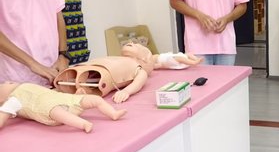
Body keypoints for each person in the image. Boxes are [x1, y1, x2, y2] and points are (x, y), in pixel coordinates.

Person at [53, 42, 202, 103]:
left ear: (144, 57)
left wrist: (126, 91)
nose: (131, 42)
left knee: (87, 85)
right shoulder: (120, 59)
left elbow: (140, 81)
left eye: (136, 44)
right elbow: (157, 61)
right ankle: (65, 86)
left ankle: (76, 91)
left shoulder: (139, 68)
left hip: (102, 78)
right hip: (87, 68)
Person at [0, 81, 127, 133]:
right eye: (3, 84)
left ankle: (113, 113)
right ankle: (83, 124)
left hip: (64, 99)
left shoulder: (26, 86)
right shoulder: (13, 99)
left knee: (95, 99)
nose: (7, 82)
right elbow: (3, 117)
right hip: (49, 109)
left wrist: (75, 95)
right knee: (58, 112)